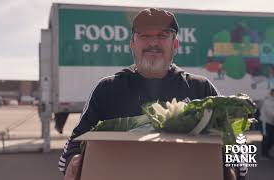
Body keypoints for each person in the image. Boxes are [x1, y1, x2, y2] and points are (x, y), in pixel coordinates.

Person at [59, 8, 238, 180]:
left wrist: (233, 169)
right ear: (132, 44)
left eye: (162, 35)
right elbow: (75, 143)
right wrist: (73, 160)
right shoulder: (107, 89)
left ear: (175, 45)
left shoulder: (202, 89)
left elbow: (238, 143)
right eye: (145, 36)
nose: (153, 43)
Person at [260, 88, 274, 159]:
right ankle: (264, 154)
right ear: (272, 93)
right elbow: (270, 113)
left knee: (271, 139)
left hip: (272, 122)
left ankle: (267, 151)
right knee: (266, 137)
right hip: (266, 122)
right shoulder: (267, 101)